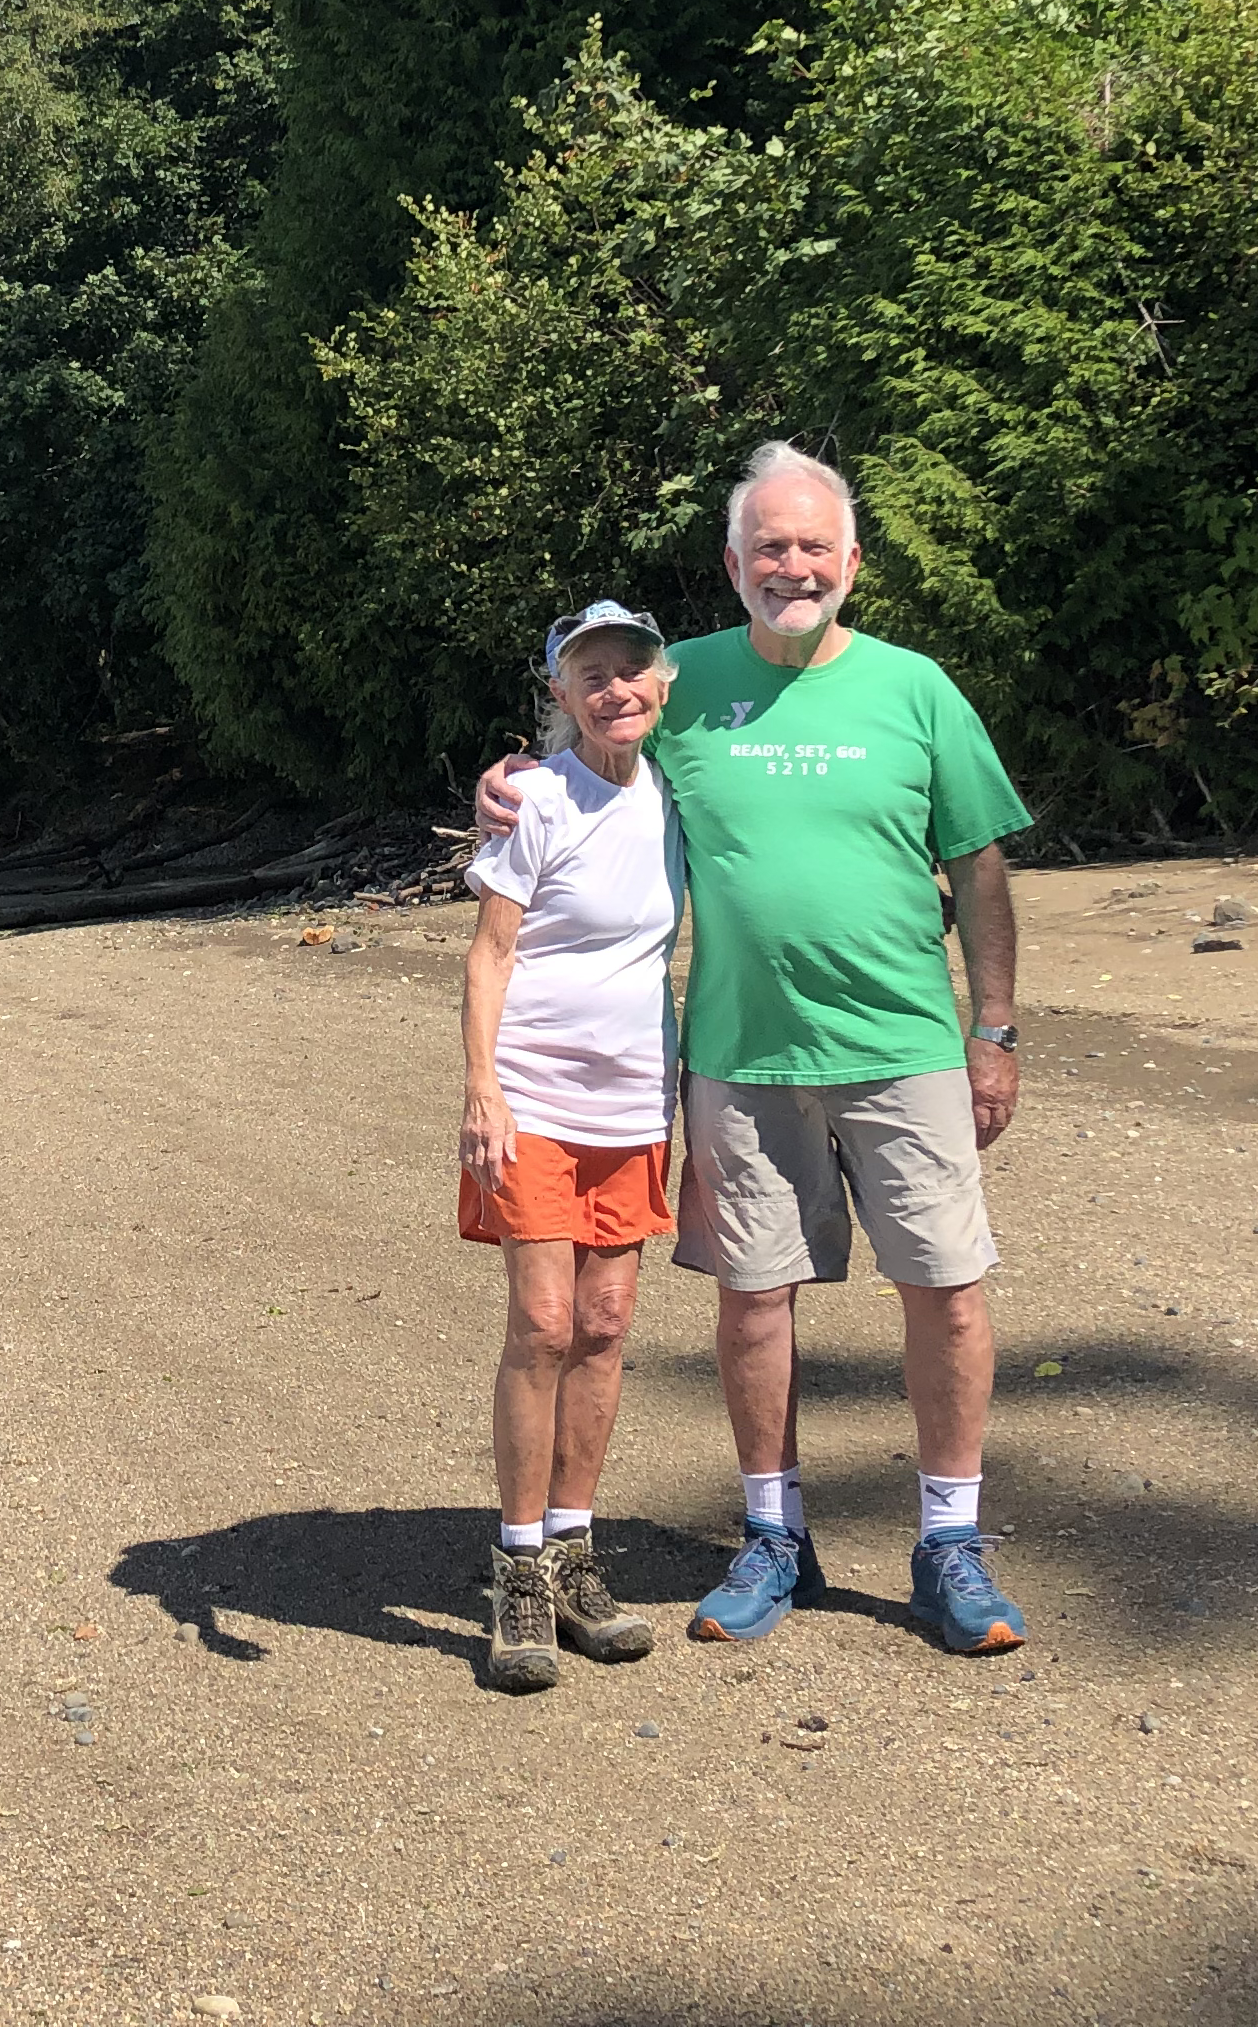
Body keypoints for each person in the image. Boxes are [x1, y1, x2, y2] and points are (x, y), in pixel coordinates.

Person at [479, 439, 1034, 1657]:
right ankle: (773, 1535)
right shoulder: (685, 688)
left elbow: (980, 866)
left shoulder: (917, 688)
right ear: (733, 565)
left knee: (945, 1290)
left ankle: (951, 1545)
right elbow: (591, 757)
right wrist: (506, 779)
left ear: (852, 562)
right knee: (751, 1305)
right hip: (736, 1054)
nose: (794, 565)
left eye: (813, 545)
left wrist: (991, 1031)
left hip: (906, 1046)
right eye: (769, 547)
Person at [456, 599, 683, 1694]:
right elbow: (489, 954)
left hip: (636, 1105)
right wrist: (482, 1089)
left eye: (632, 668)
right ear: (559, 693)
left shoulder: (681, 795)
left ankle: (577, 1554)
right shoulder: (538, 798)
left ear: (663, 682)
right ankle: (516, 1569)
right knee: (541, 1325)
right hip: (534, 1102)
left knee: (604, 1325)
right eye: (591, 673)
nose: (616, 688)